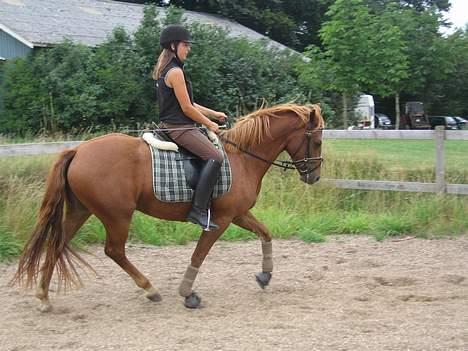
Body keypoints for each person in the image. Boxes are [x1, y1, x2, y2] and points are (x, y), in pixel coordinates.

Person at [152, 24, 226, 231]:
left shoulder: (169, 70)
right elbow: (186, 108)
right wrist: (209, 124)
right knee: (216, 157)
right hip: (179, 128)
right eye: (186, 45)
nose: (189, 49)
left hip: (174, 125)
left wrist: (213, 113)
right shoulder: (175, 72)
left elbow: (190, 103)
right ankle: (198, 210)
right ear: (174, 46)